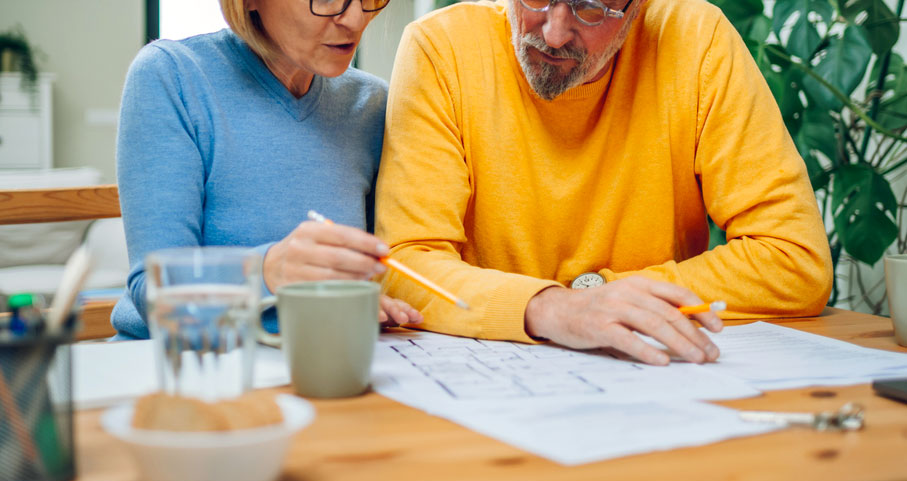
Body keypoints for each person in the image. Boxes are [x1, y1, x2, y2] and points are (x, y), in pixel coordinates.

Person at [375, 0, 833, 365]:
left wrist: (599, 297)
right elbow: (406, 266)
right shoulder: (441, 48)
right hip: (483, 375)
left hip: (652, 376)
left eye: (590, 7)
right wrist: (552, 309)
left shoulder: (697, 40)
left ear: (639, 6)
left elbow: (794, 260)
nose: (553, 32)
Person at [112, 0, 421, 339]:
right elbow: (155, 293)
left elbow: (377, 270)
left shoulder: (373, 104)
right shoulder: (171, 76)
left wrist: (373, 298)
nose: (356, 19)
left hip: (317, 357)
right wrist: (269, 272)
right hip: (183, 364)